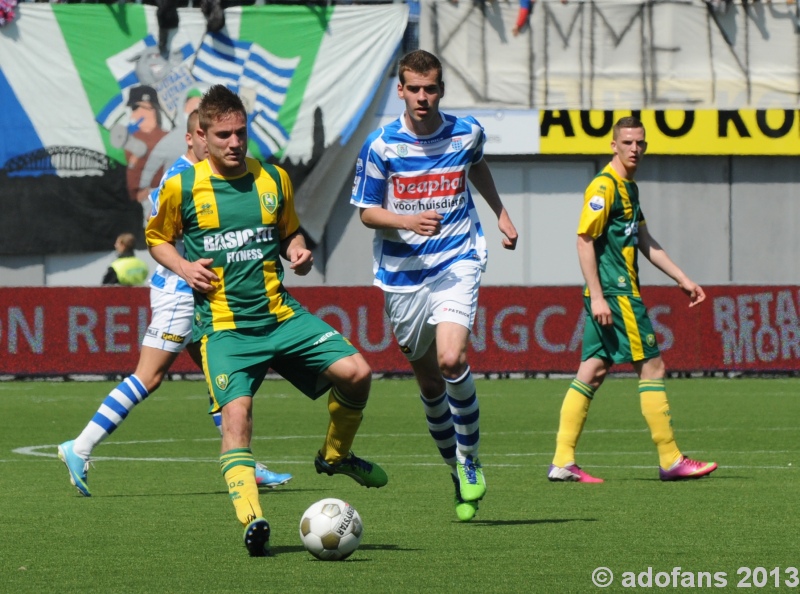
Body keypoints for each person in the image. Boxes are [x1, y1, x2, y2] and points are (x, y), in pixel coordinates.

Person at [145, 85, 388, 557]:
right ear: (203, 136)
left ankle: (334, 457)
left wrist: (296, 250)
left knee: (358, 373)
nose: (235, 143)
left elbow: (288, 232)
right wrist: (181, 266)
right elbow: (157, 238)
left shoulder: (273, 179)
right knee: (237, 418)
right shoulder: (181, 187)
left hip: (280, 315)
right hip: (225, 328)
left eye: (241, 133)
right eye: (223, 135)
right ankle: (254, 522)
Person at [59, 110, 293, 497]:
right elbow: (159, 237)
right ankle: (79, 446)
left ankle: (246, 464)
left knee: (223, 379)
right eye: (205, 135)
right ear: (192, 139)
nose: (215, 143)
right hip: (180, 293)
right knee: (148, 377)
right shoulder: (179, 180)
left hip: (207, 295)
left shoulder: (213, 177)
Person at [350, 50, 518, 522]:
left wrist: (499, 211)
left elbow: (477, 163)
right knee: (428, 381)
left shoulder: (467, 132)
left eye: (431, 88)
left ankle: (470, 458)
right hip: (403, 277)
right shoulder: (381, 145)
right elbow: (366, 212)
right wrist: (406, 219)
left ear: (441, 90)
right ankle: (453, 467)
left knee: (451, 359)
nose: (423, 97)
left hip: (457, 260)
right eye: (414, 89)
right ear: (400, 91)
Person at [548, 116, 718, 484]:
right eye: (627, 142)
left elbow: (645, 241)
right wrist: (598, 296)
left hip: (611, 294)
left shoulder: (630, 189)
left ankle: (562, 460)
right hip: (616, 293)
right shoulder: (603, 187)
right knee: (653, 368)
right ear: (613, 145)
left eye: (640, 143)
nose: (635, 149)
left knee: (591, 372)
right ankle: (670, 458)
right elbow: (583, 240)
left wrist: (683, 279)